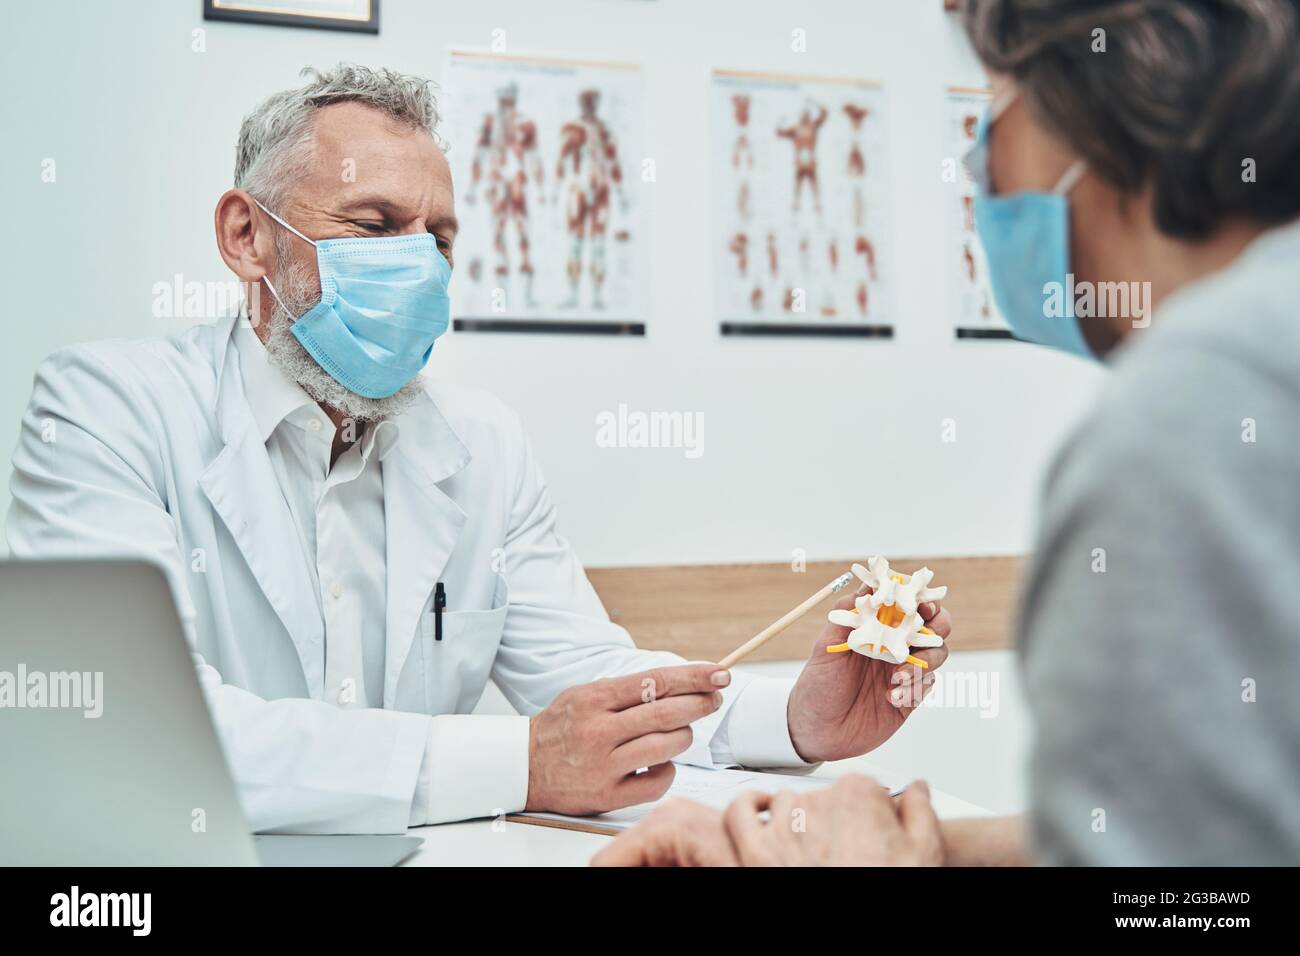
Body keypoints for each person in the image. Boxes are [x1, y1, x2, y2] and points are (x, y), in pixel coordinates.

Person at [5, 64, 952, 834]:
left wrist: (793, 719)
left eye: (440, 238)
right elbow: (139, 729)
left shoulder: (481, 447)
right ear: (246, 235)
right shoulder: (106, 410)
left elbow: (586, 671)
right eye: (374, 226)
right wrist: (523, 762)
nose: (418, 264)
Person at [595, 0, 1300, 867]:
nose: (981, 167)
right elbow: (1216, 837)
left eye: (990, 114)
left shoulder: (1195, 404)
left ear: (1089, 113)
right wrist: (930, 847)